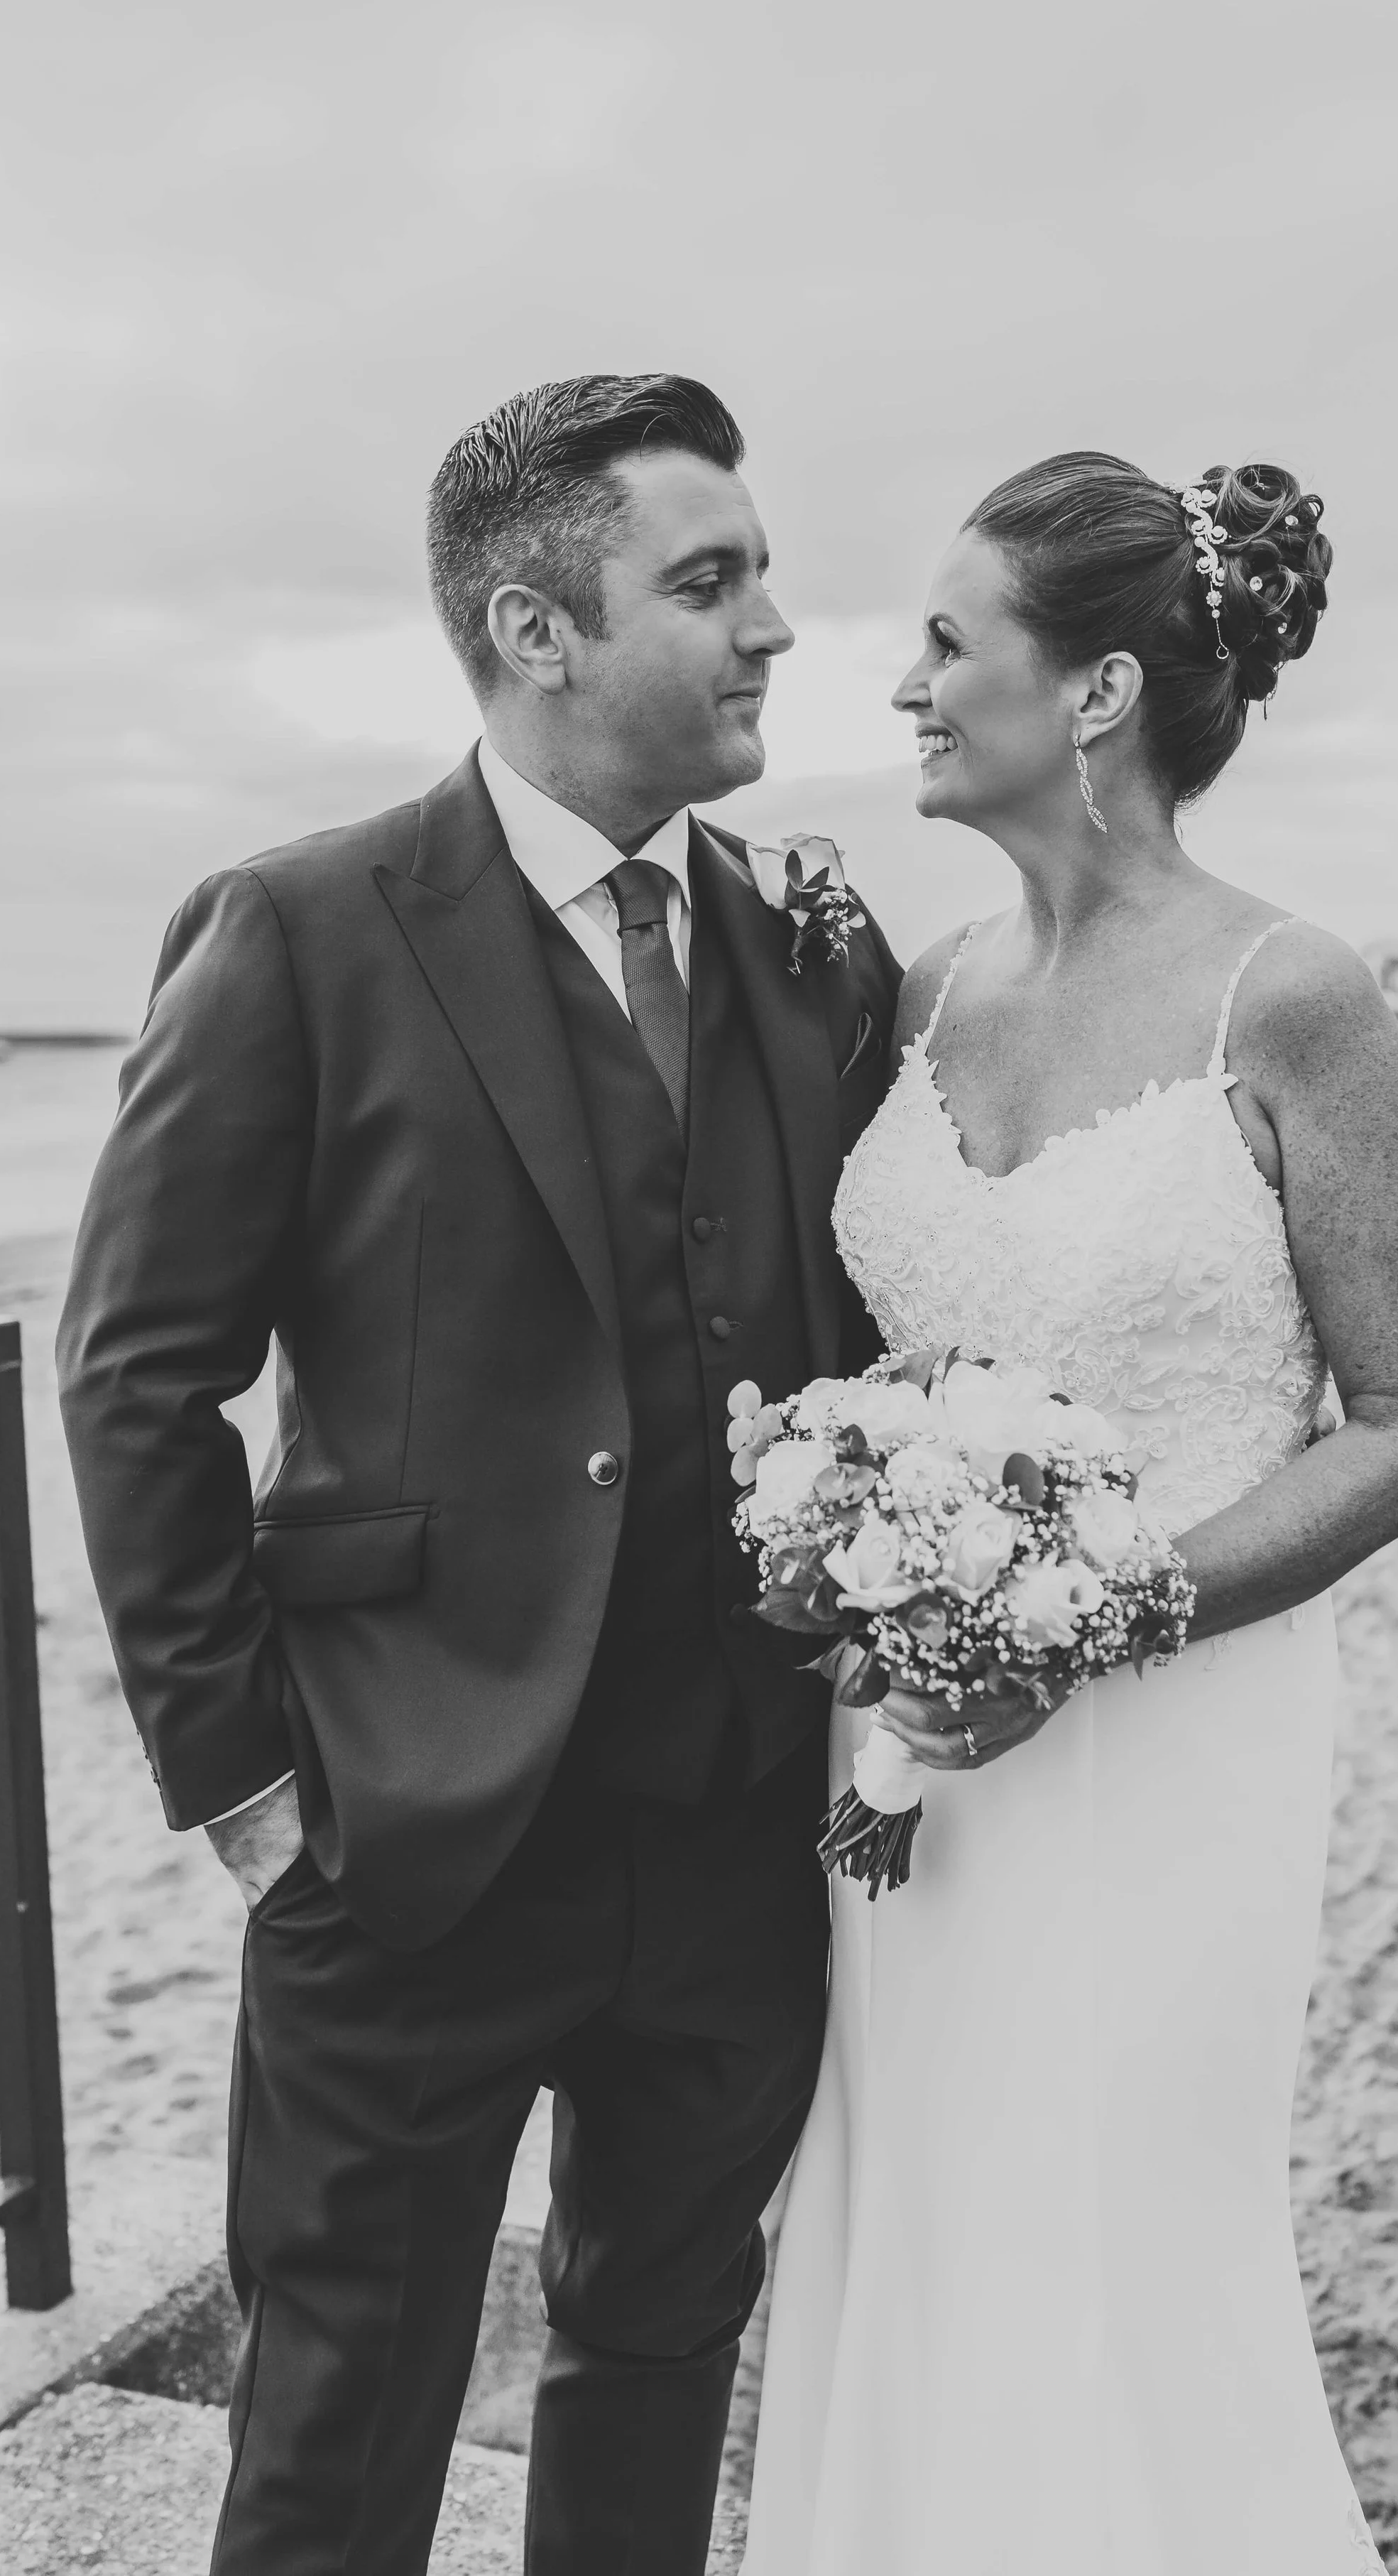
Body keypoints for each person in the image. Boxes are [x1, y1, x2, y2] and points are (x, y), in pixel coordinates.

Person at [56, 372, 900, 2576]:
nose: (774, 628)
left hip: (727, 1828)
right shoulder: (305, 928)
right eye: (706, 581)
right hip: (408, 1828)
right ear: (537, 632)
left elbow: (870, 1327)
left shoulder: (815, 949)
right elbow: (141, 1371)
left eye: (761, 574)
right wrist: (244, 1783)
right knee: (340, 2431)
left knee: (651, 2377)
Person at [743, 455, 1398, 2574]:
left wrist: (1092, 1613)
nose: (900, 683)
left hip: (1170, 1737)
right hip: (910, 1753)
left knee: (1117, 2247)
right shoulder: (917, 989)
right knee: (917, 2220)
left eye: (946, 642)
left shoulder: (1293, 998)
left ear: (1092, 693)